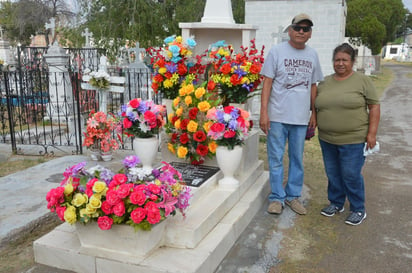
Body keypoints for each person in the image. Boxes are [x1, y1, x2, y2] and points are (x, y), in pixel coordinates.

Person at [260, 13, 324, 215]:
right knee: (276, 158)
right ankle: (277, 198)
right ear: (290, 30)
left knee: (297, 158)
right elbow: (267, 83)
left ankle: (293, 196)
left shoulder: (312, 55)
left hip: (300, 118)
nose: (301, 32)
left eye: (306, 29)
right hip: (277, 116)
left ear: (310, 34)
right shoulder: (276, 52)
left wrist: (313, 112)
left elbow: (313, 86)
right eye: (298, 28)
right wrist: (264, 113)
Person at [315, 43, 380, 225]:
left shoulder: (362, 81)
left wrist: (372, 134)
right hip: (327, 138)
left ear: (352, 61)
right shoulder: (325, 82)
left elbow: (374, 106)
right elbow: (316, 104)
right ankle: (336, 203)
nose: (340, 63)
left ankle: (358, 208)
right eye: (337, 60)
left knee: (350, 174)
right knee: (333, 173)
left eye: (344, 60)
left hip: (354, 139)